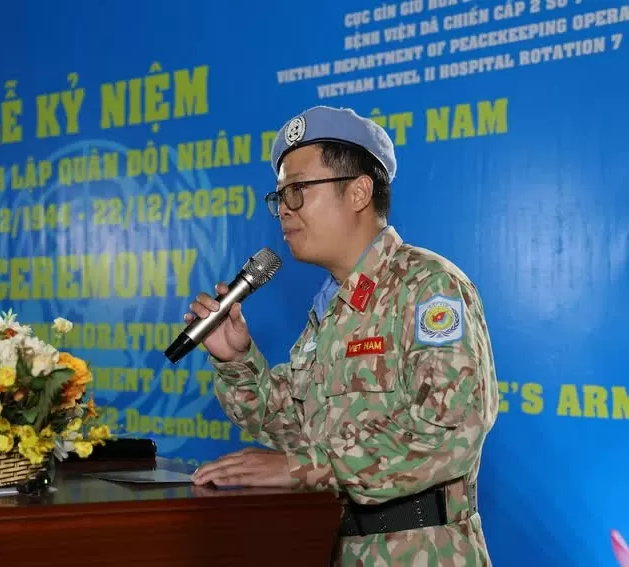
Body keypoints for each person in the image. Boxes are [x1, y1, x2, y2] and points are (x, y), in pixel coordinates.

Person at [187, 106, 499, 566]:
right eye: (279, 197)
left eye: (297, 191)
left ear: (357, 192)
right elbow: (296, 429)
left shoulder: (428, 287)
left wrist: (306, 469)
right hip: (329, 547)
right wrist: (237, 361)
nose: (284, 212)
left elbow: (448, 431)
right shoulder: (331, 306)